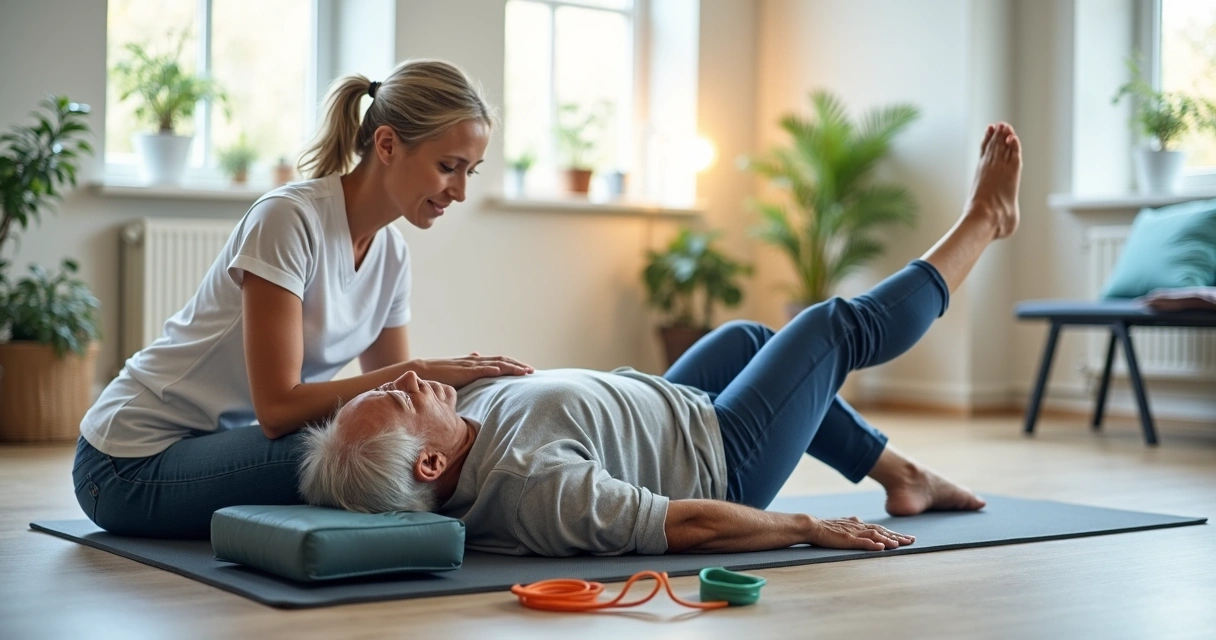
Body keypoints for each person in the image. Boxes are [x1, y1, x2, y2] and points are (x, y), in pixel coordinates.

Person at [298, 123, 1024, 556]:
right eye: (394, 402)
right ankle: (984, 222)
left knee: (743, 337)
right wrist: (804, 525)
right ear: (430, 461)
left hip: (675, 408)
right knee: (829, 327)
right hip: (722, 462)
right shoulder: (532, 490)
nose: (395, 380)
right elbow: (687, 523)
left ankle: (905, 477)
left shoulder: (458, 409)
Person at [72, 59, 533, 539]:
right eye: (447, 167)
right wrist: (425, 369)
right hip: (125, 463)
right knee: (350, 452)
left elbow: (401, 405)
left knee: (398, 442)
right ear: (388, 144)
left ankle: (518, 502)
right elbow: (277, 411)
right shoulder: (288, 219)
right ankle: (507, 521)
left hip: (217, 446)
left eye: (470, 173)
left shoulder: (391, 252)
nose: (458, 191)